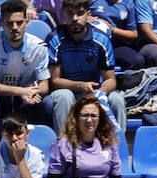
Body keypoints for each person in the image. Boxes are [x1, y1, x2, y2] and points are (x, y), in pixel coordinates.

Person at [0, 0, 53, 133]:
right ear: (2, 24)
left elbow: (44, 85)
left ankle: (42, 141)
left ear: (27, 22)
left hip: (27, 95)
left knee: (47, 102)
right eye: (9, 23)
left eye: (19, 22)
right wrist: (22, 91)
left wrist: (33, 92)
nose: (15, 27)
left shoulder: (39, 47)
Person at [48, 0, 125, 133]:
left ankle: (118, 146)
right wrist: (80, 86)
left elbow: (110, 80)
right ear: (63, 14)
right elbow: (55, 81)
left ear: (88, 14)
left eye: (80, 13)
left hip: (94, 91)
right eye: (70, 14)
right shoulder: (55, 39)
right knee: (63, 96)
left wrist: (100, 93)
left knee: (116, 99)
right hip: (68, 90)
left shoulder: (101, 40)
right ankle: (64, 145)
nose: (74, 19)